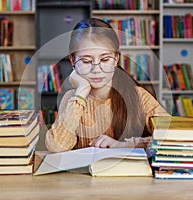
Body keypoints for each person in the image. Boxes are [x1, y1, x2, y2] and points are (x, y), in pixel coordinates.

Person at [45, 18, 170, 153]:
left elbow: (172, 137)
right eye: (86, 61)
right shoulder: (73, 99)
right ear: (73, 60)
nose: (96, 69)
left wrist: (124, 145)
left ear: (116, 59)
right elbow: (56, 147)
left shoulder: (139, 96)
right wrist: (81, 91)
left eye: (105, 59)